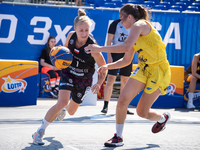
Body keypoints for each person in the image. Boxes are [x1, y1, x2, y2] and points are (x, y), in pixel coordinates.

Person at [85, 4, 171, 147]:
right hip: (144, 69)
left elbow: (125, 46)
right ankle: (118, 137)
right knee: (122, 100)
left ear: (130, 17)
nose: (121, 23)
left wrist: (100, 48)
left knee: (142, 112)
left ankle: (162, 118)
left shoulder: (139, 25)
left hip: (159, 71)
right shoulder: (134, 31)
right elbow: (126, 60)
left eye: (122, 19)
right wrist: (107, 65)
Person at [32, 8, 107, 145]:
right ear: (75, 29)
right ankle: (39, 132)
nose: (84, 33)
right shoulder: (71, 36)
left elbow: (104, 68)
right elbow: (65, 51)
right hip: (68, 73)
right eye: (81, 30)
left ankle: (63, 110)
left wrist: (99, 83)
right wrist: (57, 54)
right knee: (61, 103)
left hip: (84, 80)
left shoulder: (93, 48)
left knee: (71, 111)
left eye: (87, 30)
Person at [101, 19, 134, 115]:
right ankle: (105, 105)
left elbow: (136, 41)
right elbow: (109, 41)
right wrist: (109, 55)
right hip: (115, 52)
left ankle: (123, 106)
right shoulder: (115, 23)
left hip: (128, 53)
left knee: (125, 80)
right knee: (111, 79)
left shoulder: (134, 25)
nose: (122, 16)